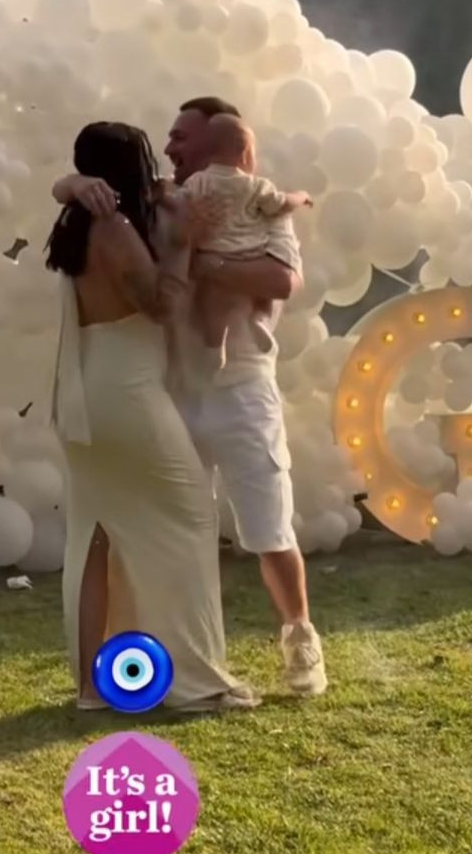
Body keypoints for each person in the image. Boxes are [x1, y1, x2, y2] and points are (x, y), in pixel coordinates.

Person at [53, 97, 327, 697]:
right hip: (167, 392)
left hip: (240, 389)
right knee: (176, 530)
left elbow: (283, 280)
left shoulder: (257, 203)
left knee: (266, 527)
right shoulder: (160, 200)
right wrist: (73, 184)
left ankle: (299, 635)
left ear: (216, 144)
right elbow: (86, 195)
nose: (171, 147)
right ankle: (180, 665)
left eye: (182, 138)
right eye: (169, 138)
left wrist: (203, 260)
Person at [45, 121, 257, 714]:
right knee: (189, 516)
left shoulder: (74, 220)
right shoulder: (113, 228)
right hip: (125, 392)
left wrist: (70, 184)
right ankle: (194, 680)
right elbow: (160, 305)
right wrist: (182, 246)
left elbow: (75, 191)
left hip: (84, 393)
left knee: (95, 536)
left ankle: (93, 687)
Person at [181, 112, 312, 379]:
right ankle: (259, 319)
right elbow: (281, 204)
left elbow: (182, 204)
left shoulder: (197, 182)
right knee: (262, 296)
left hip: (215, 250)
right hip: (251, 252)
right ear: (245, 154)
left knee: (214, 302)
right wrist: (301, 196)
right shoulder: (256, 185)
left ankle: (214, 345)